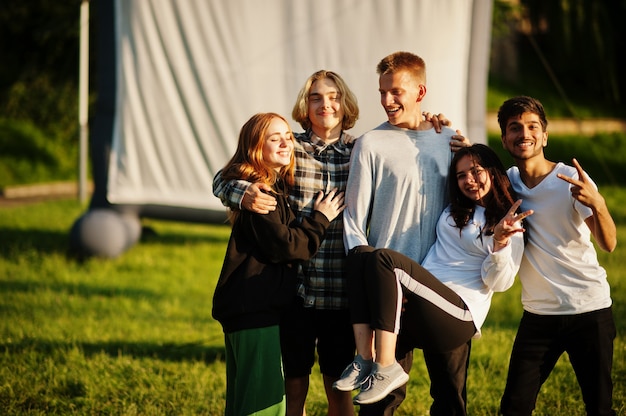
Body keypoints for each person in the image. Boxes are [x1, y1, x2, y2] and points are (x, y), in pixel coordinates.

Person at [213, 70, 461, 416]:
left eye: (334, 97)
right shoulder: (290, 147)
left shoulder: (364, 148)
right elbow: (227, 176)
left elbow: (409, 148)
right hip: (293, 290)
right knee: (292, 386)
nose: (325, 104)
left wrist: (433, 126)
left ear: (346, 105)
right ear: (305, 104)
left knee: (338, 389)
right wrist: (243, 192)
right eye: (316, 97)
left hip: (343, 292)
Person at [342, 144, 532, 412]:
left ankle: (384, 366)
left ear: (492, 171)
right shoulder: (456, 209)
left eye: (476, 171)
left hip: (457, 312)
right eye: (461, 175)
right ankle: (366, 360)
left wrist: (499, 243)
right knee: (359, 254)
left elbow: (499, 283)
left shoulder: (508, 222)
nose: (469, 180)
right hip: (424, 299)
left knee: (448, 396)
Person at [342, 51, 469, 415]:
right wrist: (366, 276)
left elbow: (474, 193)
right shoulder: (370, 144)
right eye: (382, 92)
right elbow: (354, 222)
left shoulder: (449, 141)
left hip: (442, 285)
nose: (386, 100)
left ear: (420, 91)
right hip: (389, 294)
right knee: (378, 402)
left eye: (396, 91)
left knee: (450, 396)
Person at [211, 112, 345, 416]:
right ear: (257, 147)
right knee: (263, 406)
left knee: (246, 402)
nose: (287, 143)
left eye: (288, 136)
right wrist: (320, 219)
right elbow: (289, 247)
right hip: (254, 312)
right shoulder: (260, 193)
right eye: (275, 138)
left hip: (251, 311)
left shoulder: (268, 186)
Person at [497, 96, 618, 416]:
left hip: (589, 309)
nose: (524, 133)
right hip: (538, 315)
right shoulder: (506, 182)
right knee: (513, 407)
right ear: (504, 138)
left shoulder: (571, 180)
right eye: (515, 128)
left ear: (545, 136)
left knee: (599, 406)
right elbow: (470, 169)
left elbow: (609, 244)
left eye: (532, 126)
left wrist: (598, 204)